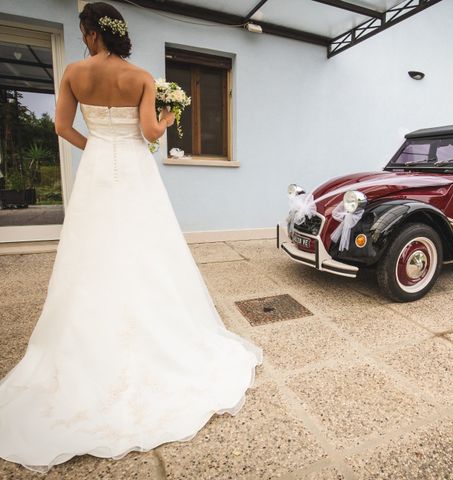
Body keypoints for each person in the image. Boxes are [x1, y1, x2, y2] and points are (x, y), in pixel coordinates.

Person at [0, 2, 263, 473]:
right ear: (117, 32)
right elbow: (147, 133)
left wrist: (96, 144)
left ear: (92, 32)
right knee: (148, 247)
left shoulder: (74, 73)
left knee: (91, 252)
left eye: (84, 31)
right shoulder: (141, 77)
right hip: (136, 170)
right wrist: (165, 118)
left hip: (99, 169)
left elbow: (62, 126)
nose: (83, 38)